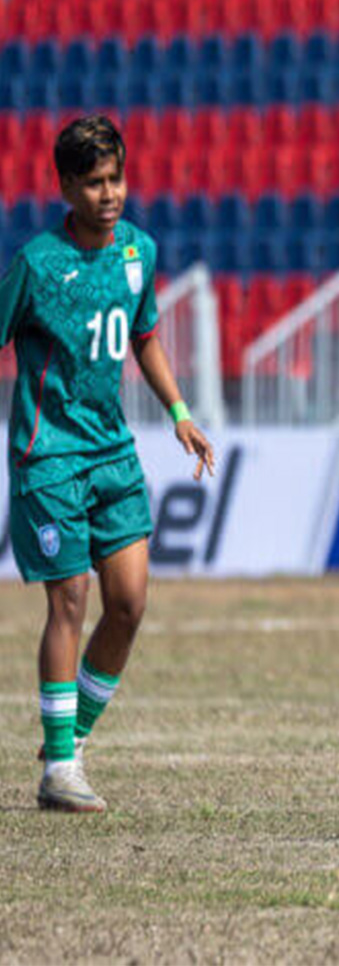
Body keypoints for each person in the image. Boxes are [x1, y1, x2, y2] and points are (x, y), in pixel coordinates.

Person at [0, 115, 216, 813]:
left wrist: (180, 412)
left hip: (112, 452)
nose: (110, 193)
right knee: (70, 599)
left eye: (116, 178)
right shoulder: (36, 264)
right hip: (49, 456)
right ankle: (60, 770)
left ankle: (71, 739)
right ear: (66, 187)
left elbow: (144, 336)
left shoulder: (138, 252)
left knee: (128, 604)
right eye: (94, 182)